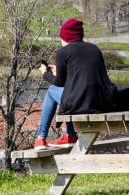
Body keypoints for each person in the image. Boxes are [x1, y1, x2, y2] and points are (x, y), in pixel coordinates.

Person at [35, 18, 116, 148]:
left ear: (65, 37)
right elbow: (81, 80)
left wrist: (45, 74)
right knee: (71, 94)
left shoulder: (63, 52)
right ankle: (70, 134)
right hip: (102, 102)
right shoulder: (94, 49)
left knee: (51, 92)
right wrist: (63, 72)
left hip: (82, 104)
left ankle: (41, 138)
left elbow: (60, 83)